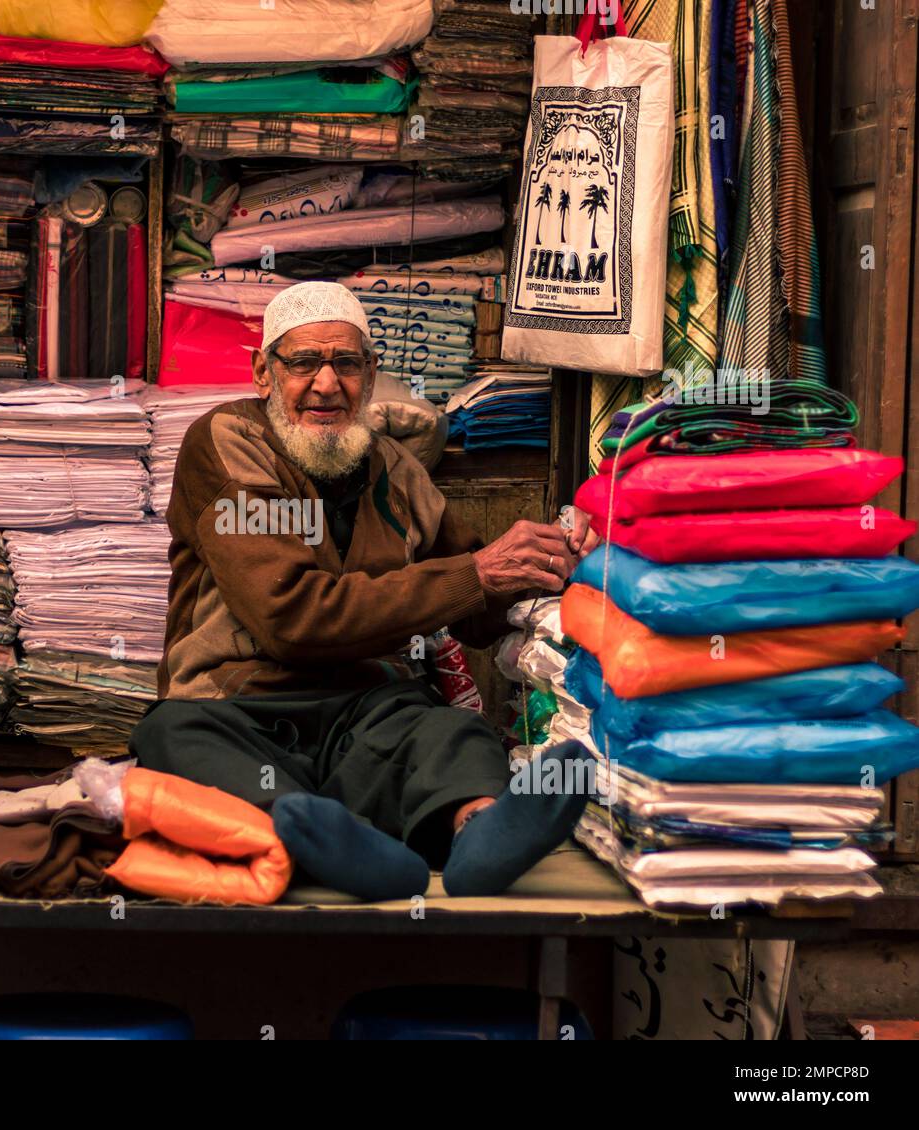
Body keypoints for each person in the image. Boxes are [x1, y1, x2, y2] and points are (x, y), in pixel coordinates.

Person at [130, 282, 599, 899]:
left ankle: (477, 832)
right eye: (303, 363)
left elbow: (474, 606)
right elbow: (291, 617)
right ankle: (317, 835)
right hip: (236, 706)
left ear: (371, 375)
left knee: (446, 732)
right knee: (174, 738)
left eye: (347, 364)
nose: (327, 384)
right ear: (263, 374)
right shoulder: (229, 443)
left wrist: (548, 565)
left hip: (364, 710)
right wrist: (474, 575)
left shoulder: (395, 470)